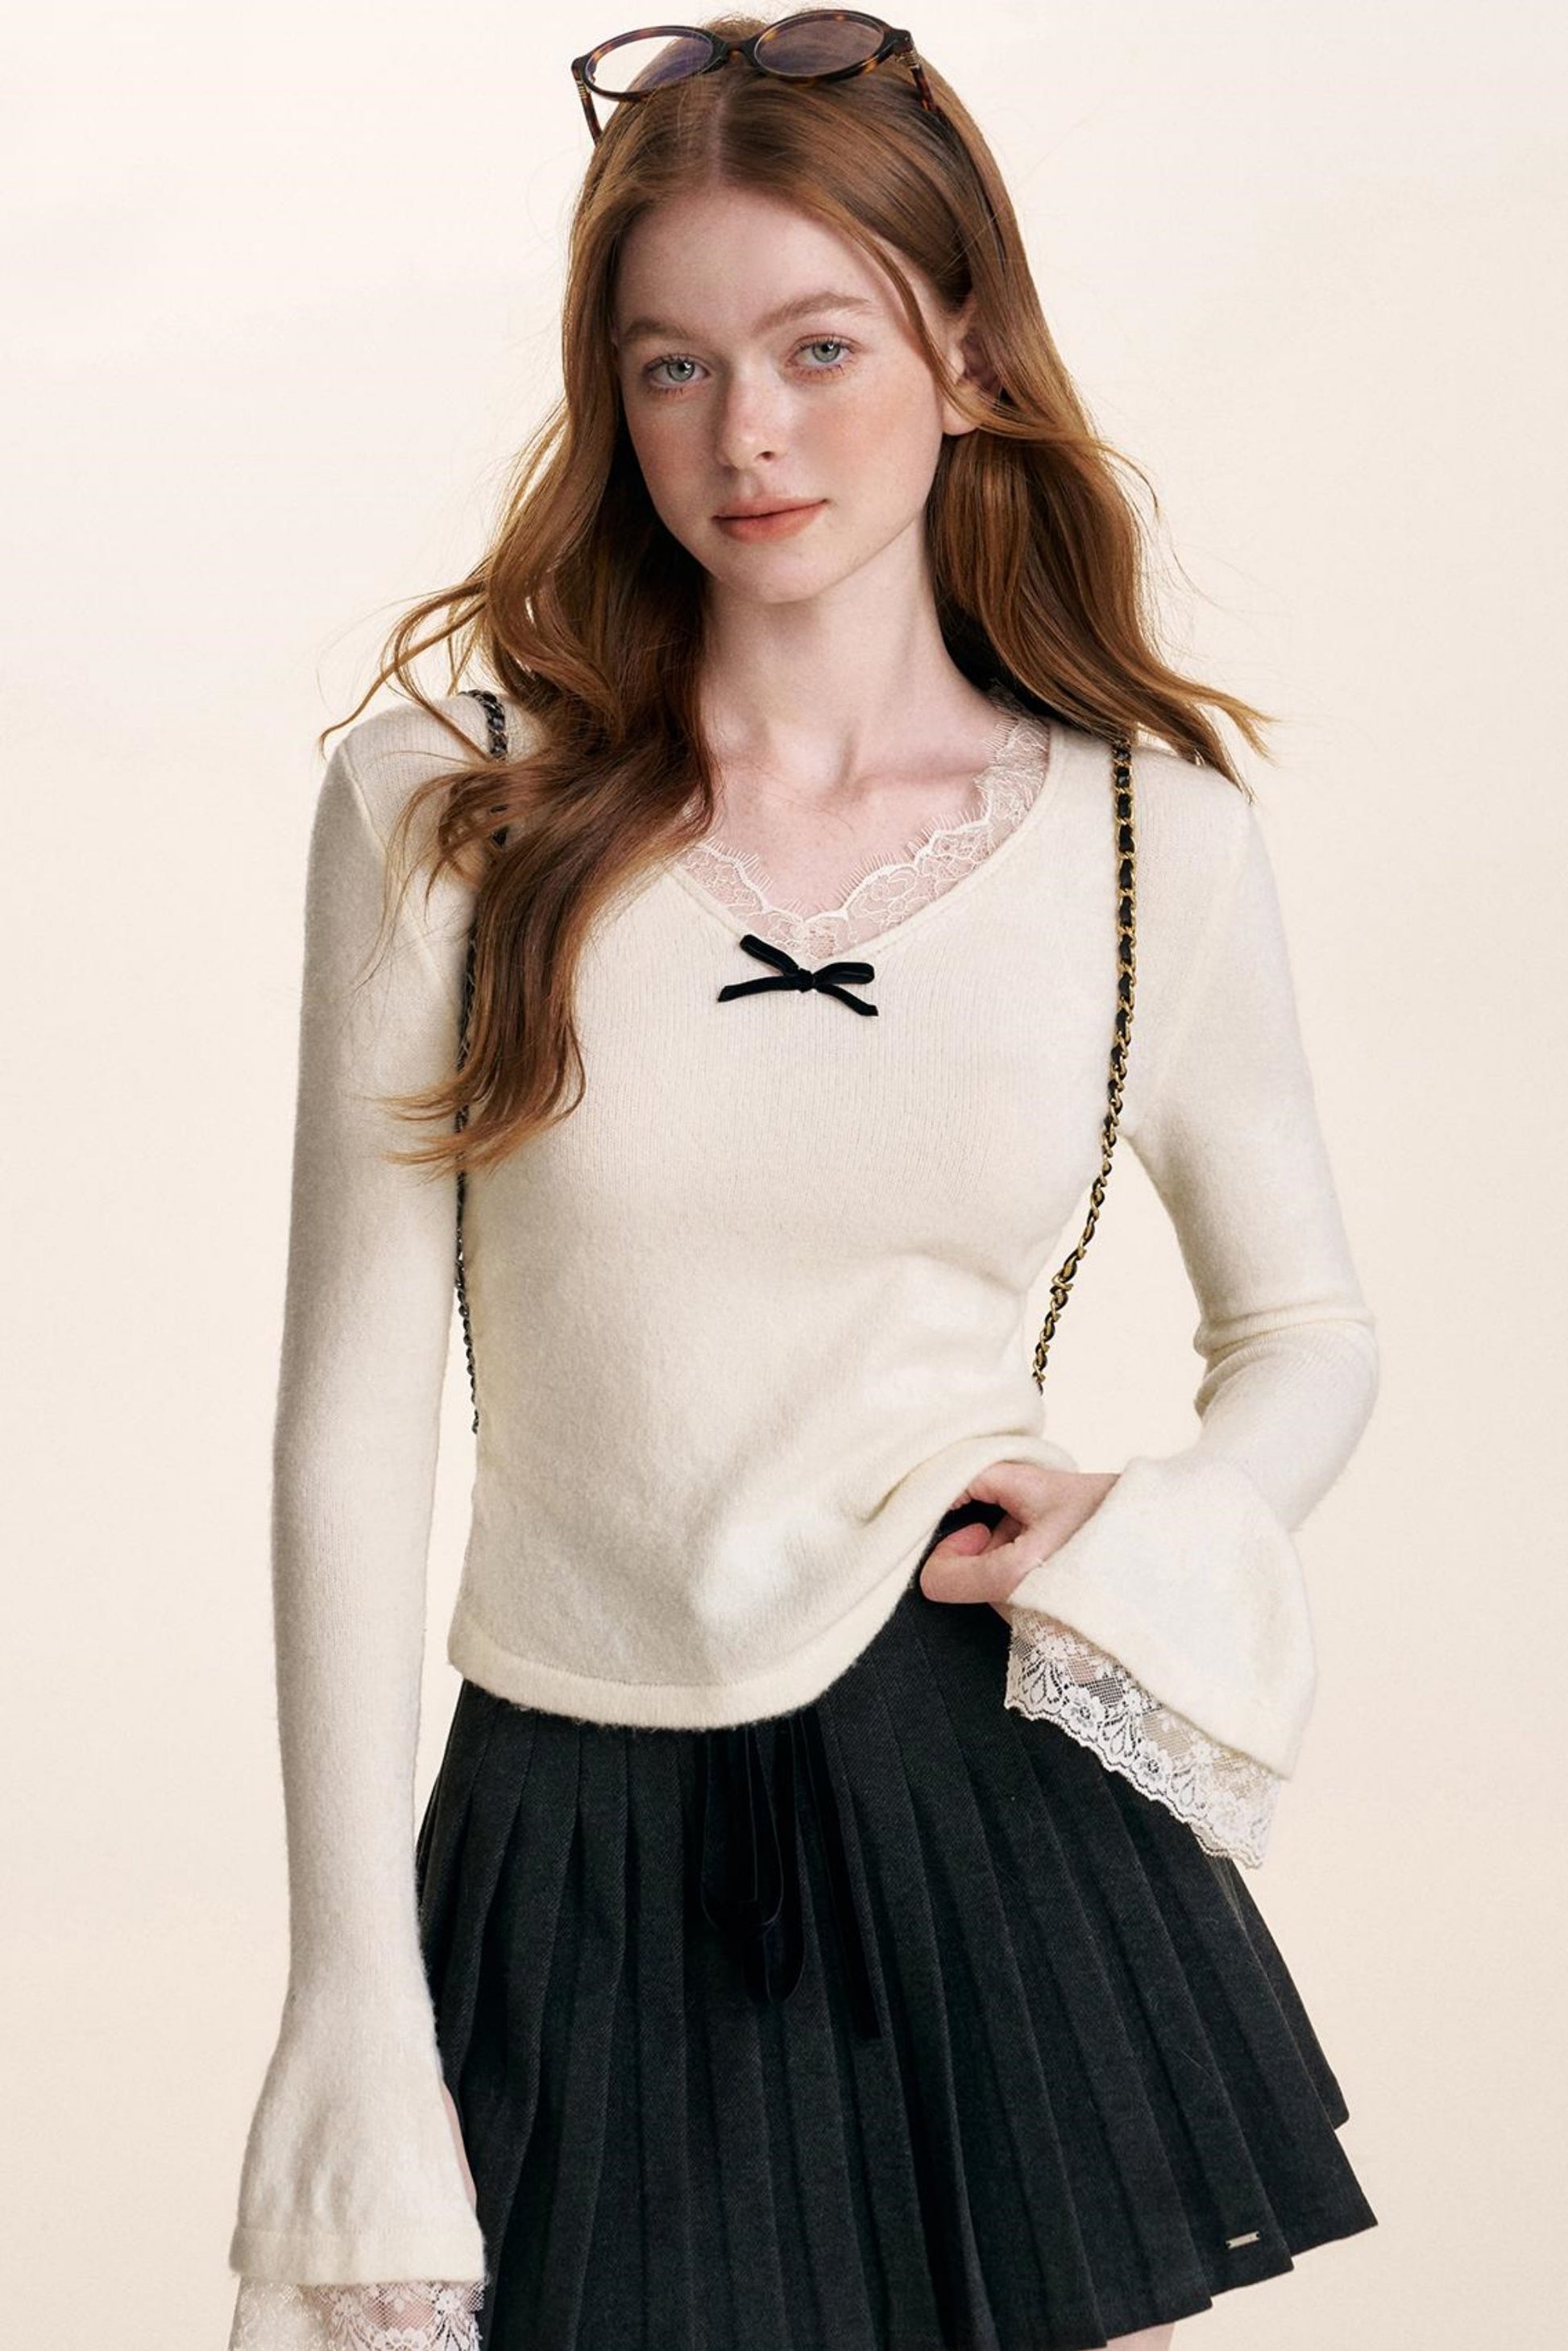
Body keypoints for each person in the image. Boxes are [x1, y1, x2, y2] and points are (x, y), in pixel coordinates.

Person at [222, 14, 1381, 2351]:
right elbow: (352, 1426)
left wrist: (1157, 1518)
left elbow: (1308, 1334)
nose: (744, 431)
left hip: (986, 1820)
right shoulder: (448, 808)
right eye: (672, 365)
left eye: (817, 346)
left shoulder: (1143, 835)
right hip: (563, 1815)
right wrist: (347, 1998)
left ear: (966, 352)